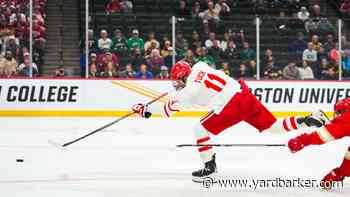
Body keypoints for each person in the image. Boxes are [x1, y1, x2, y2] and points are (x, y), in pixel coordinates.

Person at [131, 60, 328, 181]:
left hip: (230, 106)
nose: (177, 86)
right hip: (244, 93)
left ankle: (209, 166)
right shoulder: (200, 65)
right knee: (274, 127)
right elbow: (200, 81)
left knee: (200, 129)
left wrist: (145, 110)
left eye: (178, 82)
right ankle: (307, 120)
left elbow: (167, 111)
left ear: (184, 77)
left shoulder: (189, 92)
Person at [288, 97, 350, 190]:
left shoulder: (347, 118)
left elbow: (322, 135)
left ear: (345, 111)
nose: (337, 115)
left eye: (338, 112)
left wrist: (301, 141)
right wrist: (340, 173)